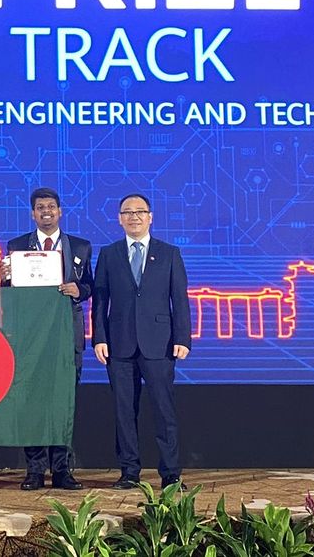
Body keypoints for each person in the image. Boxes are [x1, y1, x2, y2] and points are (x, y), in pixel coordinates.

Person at [91, 193, 191, 490]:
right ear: (119, 219)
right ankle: (129, 471)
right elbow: (100, 300)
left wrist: (183, 337)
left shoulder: (169, 253)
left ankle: (170, 473)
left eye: (140, 211)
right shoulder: (109, 254)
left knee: (164, 410)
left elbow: (179, 299)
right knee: (124, 411)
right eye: (127, 212)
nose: (134, 216)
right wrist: (99, 337)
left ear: (150, 217)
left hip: (160, 343)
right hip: (119, 344)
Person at [1, 186, 93, 491]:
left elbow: (90, 286)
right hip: (30, 335)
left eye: (51, 206)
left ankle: (62, 469)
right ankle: (35, 470)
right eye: (40, 207)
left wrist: (80, 290)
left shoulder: (80, 246)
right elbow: (8, 290)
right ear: (33, 213)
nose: (46, 212)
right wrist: (5, 275)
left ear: (60, 211)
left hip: (66, 333)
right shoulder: (16, 246)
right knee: (31, 402)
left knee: (63, 403)